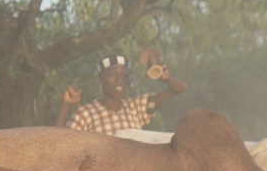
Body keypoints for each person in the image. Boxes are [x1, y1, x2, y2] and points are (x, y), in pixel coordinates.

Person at [57, 50, 185, 134]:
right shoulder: (85, 114)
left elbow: (180, 88)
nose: (119, 80)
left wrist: (164, 78)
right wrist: (65, 106)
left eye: (124, 75)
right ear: (100, 79)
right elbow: (58, 145)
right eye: (113, 74)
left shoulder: (135, 107)